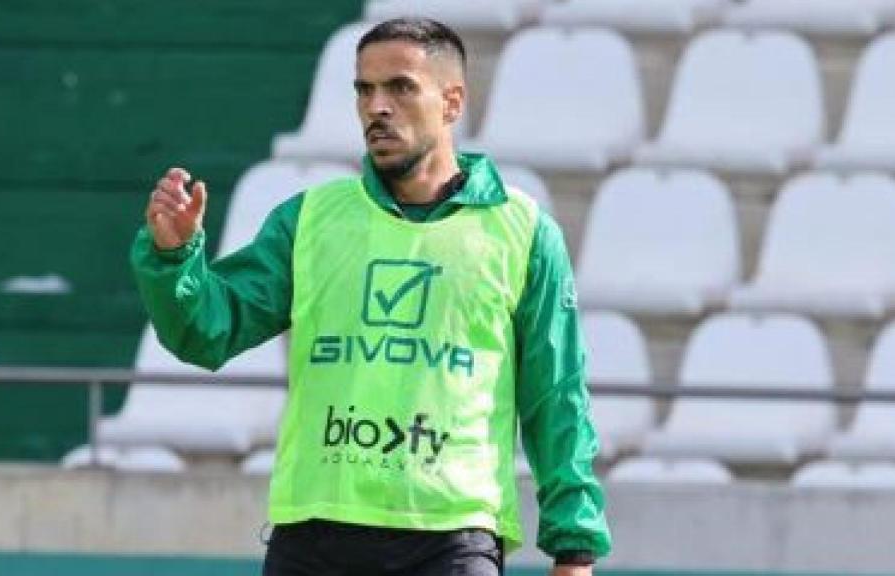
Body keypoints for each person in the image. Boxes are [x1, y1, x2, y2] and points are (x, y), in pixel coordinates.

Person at [133, 17, 611, 576]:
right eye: (364, 89)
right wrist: (172, 259)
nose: (376, 106)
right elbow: (207, 330)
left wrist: (573, 548)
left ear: (452, 101)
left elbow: (556, 397)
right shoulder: (309, 220)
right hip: (315, 535)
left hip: (451, 538)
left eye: (400, 87)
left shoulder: (524, 232)